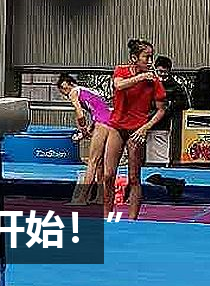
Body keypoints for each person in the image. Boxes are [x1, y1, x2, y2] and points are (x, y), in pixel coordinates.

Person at [104, 39, 167, 221]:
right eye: (146, 57)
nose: (150, 61)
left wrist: (145, 128)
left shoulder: (154, 81)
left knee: (134, 177)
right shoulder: (121, 71)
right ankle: (106, 215)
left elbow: (161, 110)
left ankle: (132, 219)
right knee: (108, 174)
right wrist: (141, 77)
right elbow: (118, 85)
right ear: (134, 58)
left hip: (137, 129)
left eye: (151, 57)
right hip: (117, 127)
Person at [57, 73, 112, 205]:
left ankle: (82, 198)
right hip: (110, 121)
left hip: (102, 123)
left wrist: (82, 129)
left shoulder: (74, 92)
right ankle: (100, 197)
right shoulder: (88, 91)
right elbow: (99, 109)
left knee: (92, 161)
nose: (67, 94)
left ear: (70, 85)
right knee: (100, 163)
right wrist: (89, 128)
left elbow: (80, 113)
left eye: (65, 90)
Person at [149, 56, 189, 166]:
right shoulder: (148, 83)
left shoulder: (176, 87)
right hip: (145, 123)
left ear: (169, 71)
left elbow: (184, 104)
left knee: (160, 153)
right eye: (159, 71)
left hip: (164, 125)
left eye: (165, 72)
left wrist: (169, 107)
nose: (162, 75)